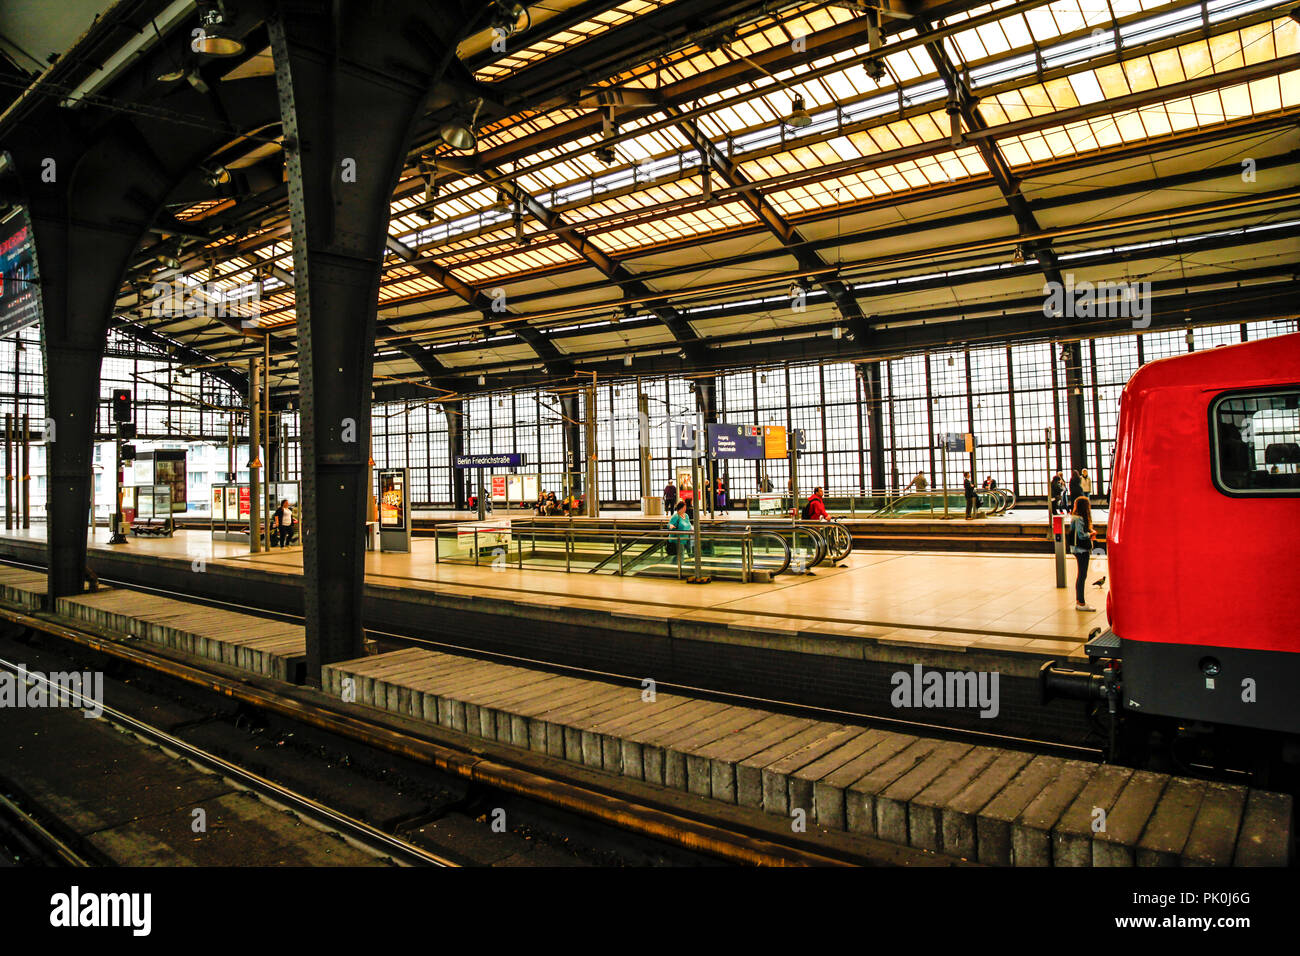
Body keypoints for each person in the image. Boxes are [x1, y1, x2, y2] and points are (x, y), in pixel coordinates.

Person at [1069, 496, 1097, 611]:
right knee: (1082, 575)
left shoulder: (1074, 517)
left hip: (1076, 549)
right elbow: (1081, 535)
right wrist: (1091, 534)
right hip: (1082, 549)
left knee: (1081, 575)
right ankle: (1081, 603)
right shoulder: (1080, 519)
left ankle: (1079, 601)